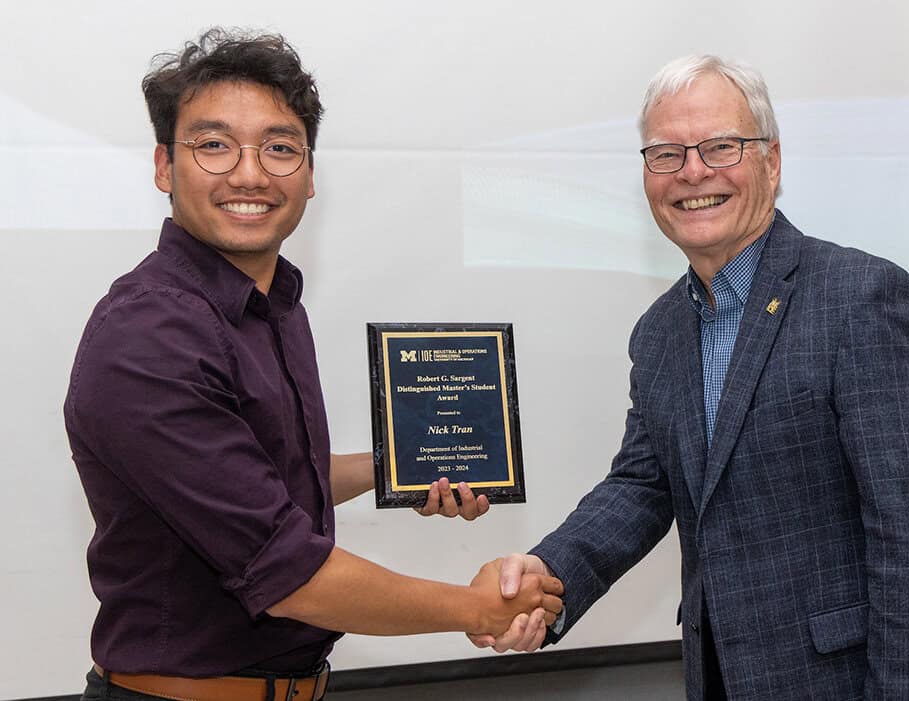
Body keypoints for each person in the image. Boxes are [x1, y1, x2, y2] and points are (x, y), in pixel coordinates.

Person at [65, 29, 562, 701]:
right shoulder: (151, 334)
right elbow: (285, 569)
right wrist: (478, 608)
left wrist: (402, 470)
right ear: (163, 166)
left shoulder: (273, 304)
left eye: (279, 147)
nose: (249, 173)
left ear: (309, 172)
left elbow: (264, 479)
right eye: (213, 145)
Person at [471, 55, 909, 700]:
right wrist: (546, 575)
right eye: (666, 154)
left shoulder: (859, 296)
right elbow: (642, 487)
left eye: (720, 146)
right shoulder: (658, 334)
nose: (693, 173)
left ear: (772, 159)